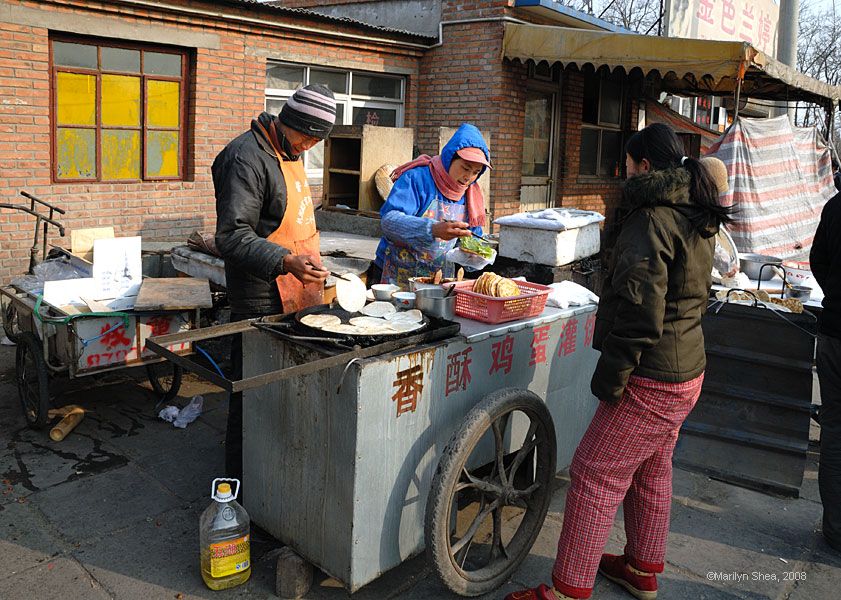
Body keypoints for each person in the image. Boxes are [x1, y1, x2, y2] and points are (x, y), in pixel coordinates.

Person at [506, 123, 733, 600]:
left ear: (644, 167)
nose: (622, 173)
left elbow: (638, 315)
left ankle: (567, 590)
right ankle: (642, 567)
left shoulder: (651, 218)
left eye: (627, 166)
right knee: (653, 467)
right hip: (686, 369)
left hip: (652, 375)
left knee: (594, 472)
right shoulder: (696, 209)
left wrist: (611, 381)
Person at [212, 84, 336, 482]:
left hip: (299, 290)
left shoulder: (288, 150)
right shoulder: (245, 158)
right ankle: (240, 488)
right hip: (261, 297)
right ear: (291, 124)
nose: (311, 146)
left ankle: (280, 481)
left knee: (288, 391)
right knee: (251, 396)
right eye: (309, 136)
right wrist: (284, 261)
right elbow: (231, 236)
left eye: (318, 140)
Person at [369, 122, 491, 287]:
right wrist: (432, 229)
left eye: (476, 172)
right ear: (450, 158)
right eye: (465, 168)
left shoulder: (472, 196)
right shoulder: (417, 179)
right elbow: (389, 221)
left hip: (440, 281)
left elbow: (473, 239)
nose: (468, 177)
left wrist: (474, 257)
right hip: (396, 275)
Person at [810, 176, 841, 554]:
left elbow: (818, 261)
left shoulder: (835, 206)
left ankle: (835, 528)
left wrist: (835, 293)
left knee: (834, 429)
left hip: (834, 332)